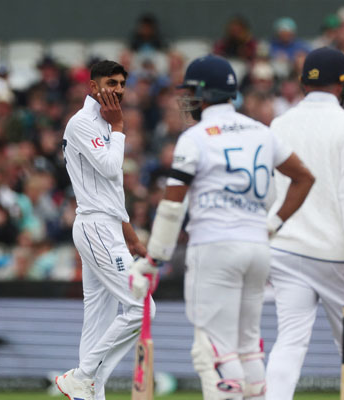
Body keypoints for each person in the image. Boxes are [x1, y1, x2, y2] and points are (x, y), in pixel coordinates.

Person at [129, 54, 314, 400]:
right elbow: (303, 178)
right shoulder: (262, 131)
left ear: (204, 94)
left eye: (190, 93)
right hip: (258, 248)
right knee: (248, 347)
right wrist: (271, 225)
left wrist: (153, 260)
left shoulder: (195, 137)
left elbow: (171, 206)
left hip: (214, 248)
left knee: (213, 350)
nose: (186, 101)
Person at [264, 47, 344, 400]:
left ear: (303, 84)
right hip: (335, 254)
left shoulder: (279, 123)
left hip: (285, 248)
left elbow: (273, 192)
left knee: (289, 341)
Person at [54, 60, 155, 400]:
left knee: (98, 320)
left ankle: (88, 392)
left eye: (122, 84)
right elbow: (112, 167)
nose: (119, 90)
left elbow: (111, 190)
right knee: (143, 308)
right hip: (96, 226)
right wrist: (121, 126)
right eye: (111, 83)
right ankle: (81, 376)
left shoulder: (102, 123)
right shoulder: (83, 123)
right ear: (92, 87)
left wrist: (130, 236)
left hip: (106, 225)